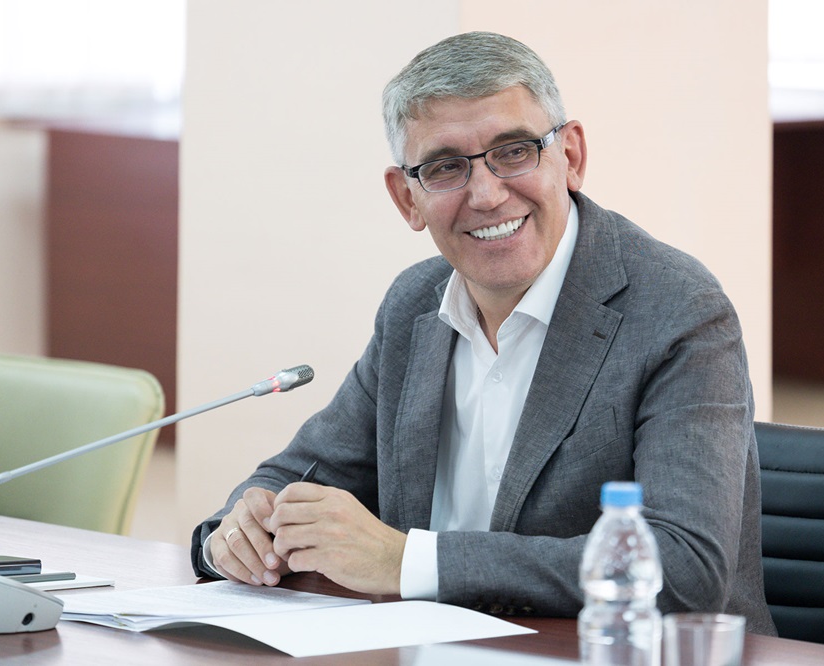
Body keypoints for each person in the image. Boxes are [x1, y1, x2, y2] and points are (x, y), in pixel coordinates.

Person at [191, 31, 776, 634]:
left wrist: (406, 562)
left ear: (571, 156)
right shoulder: (413, 306)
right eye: (445, 167)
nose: (487, 194)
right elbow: (300, 476)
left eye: (515, 151)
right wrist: (236, 536)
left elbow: (683, 567)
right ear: (407, 198)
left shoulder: (677, 309)